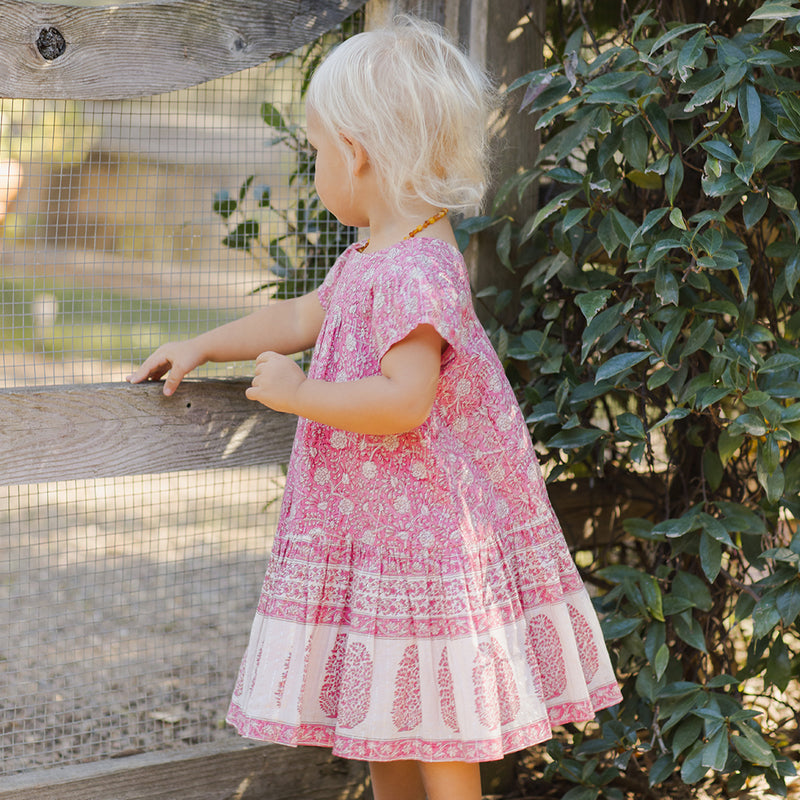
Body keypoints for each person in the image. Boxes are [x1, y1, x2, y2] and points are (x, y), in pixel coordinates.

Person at [128, 16, 622, 800]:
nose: (319, 166)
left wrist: (299, 396)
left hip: (422, 545)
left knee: (442, 732)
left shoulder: (419, 272)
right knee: (386, 722)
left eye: (320, 150)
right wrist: (201, 344)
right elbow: (297, 317)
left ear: (358, 154)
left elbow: (405, 401)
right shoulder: (375, 259)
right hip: (382, 537)